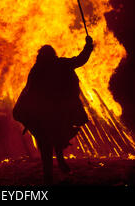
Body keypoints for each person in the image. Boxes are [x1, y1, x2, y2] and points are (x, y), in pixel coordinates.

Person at [13, 35, 94, 183]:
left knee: (47, 143)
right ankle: (55, 169)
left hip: (45, 113)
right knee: (55, 138)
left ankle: (51, 173)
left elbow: (29, 91)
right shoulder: (59, 64)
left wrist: (26, 111)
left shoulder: (38, 69)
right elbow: (80, 60)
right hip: (55, 112)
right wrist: (88, 46)